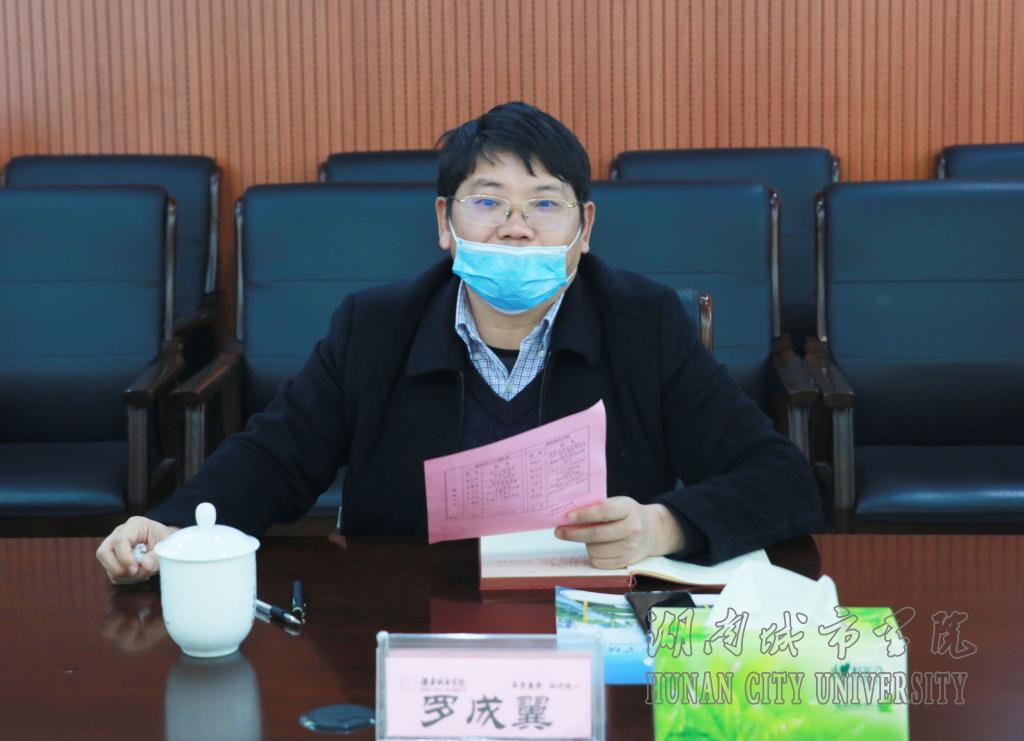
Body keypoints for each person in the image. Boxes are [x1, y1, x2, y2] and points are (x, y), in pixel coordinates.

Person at [97, 101, 824, 585]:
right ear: (445, 223)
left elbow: (783, 481)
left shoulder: (644, 324)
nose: (516, 227)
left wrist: (663, 526)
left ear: (585, 229)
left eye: (545, 204)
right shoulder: (375, 327)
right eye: (488, 202)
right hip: (411, 615)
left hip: (593, 619)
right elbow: (273, 460)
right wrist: (171, 527)